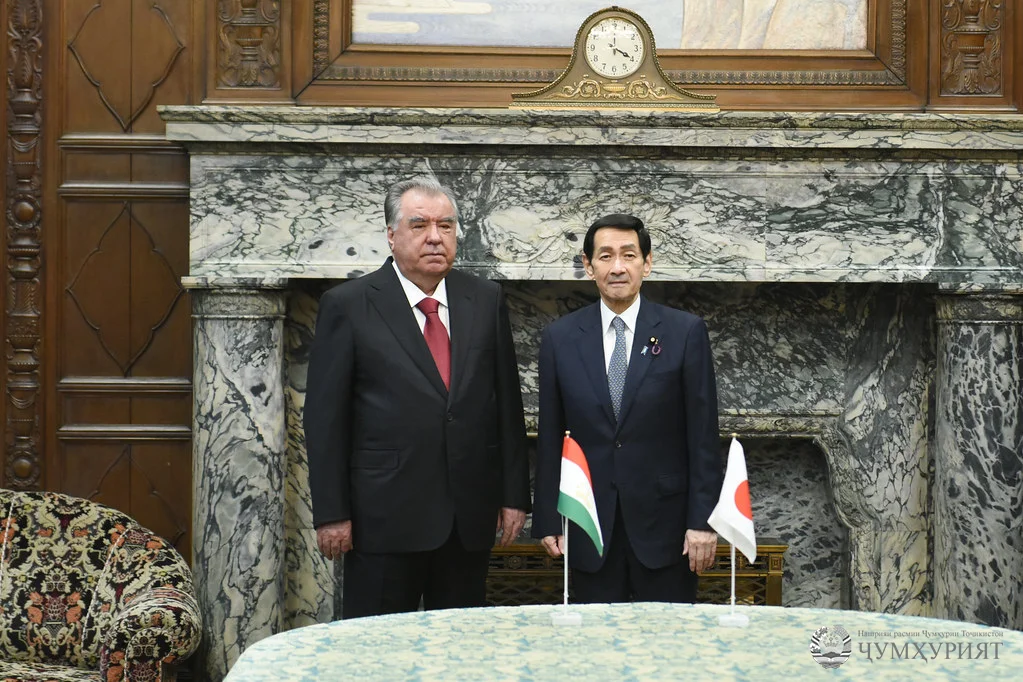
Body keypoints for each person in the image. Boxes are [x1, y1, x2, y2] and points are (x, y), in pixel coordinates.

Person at [304, 176, 531, 618]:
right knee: (378, 645)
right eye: (419, 224)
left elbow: (507, 406)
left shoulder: (485, 299)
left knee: (461, 644)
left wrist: (514, 496)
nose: (435, 237)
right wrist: (331, 512)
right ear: (391, 235)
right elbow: (325, 418)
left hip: (467, 519)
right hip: (381, 520)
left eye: (446, 226)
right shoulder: (348, 304)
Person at [532, 213, 723, 603]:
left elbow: (703, 436)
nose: (617, 267)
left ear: (646, 263)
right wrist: (548, 517)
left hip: (668, 530)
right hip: (588, 526)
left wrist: (703, 521)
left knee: (667, 637)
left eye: (629, 255)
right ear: (588, 266)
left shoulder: (685, 332)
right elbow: (551, 435)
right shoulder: (560, 338)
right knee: (595, 639)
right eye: (605, 256)